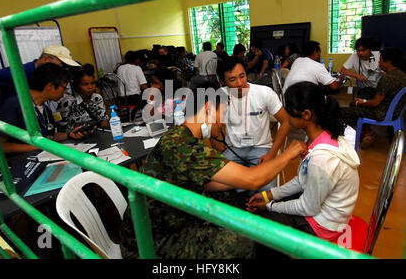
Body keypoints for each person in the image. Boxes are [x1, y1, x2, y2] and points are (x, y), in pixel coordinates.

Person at [119, 82, 307, 259]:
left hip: (170, 220)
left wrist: (237, 182)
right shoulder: (184, 146)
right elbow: (254, 180)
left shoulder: (178, 135)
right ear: (208, 108)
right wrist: (289, 152)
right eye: (223, 115)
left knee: (237, 198)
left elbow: (207, 184)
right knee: (251, 241)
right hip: (152, 243)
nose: (224, 123)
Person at [246, 81, 360, 258]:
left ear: (306, 114)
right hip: (323, 212)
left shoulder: (321, 158)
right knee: (270, 214)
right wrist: (271, 195)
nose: (285, 116)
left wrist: (270, 206)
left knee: (262, 231)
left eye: (289, 111)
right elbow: (302, 179)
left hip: (324, 226)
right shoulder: (321, 136)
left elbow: (308, 208)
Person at [216, 56, 291, 194]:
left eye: (242, 76)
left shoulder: (264, 93)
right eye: (232, 79)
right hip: (233, 149)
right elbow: (213, 126)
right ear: (222, 81)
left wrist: (272, 153)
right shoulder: (220, 95)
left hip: (261, 149)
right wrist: (215, 143)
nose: (239, 83)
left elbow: (286, 121)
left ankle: (241, 188)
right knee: (214, 185)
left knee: (266, 190)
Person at [0, 63, 86, 155]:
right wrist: (38, 147)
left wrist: (69, 134)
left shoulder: (45, 108)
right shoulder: (13, 105)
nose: (65, 92)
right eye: (64, 88)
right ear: (50, 86)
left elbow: (50, 136)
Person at [341, 47, 406, 149]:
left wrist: (361, 103)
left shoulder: (387, 78)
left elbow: (375, 103)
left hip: (381, 113)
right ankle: (366, 132)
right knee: (364, 95)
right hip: (396, 112)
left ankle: (365, 132)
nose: (379, 63)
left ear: (388, 62)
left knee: (344, 111)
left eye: (380, 60)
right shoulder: (402, 75)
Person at [0, 45, 81, 114]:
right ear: (45, 59)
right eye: (61, 65)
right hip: (13, 121)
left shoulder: (47, 76)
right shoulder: (19, 73)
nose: (62, 69)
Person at [57, 64, 109, 135]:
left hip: (96, 135)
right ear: (76, 87)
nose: (90, 87)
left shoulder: (97, 98)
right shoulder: (68, 102)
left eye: (92, 83)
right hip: (75, 140)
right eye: (85, 84)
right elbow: (62, 130)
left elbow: (103, 120)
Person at [116, 50, 148, 121]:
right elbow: (143, 86)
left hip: (122, 100)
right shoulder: (137, 68)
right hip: (134, 99)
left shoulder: (120, 68)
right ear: (136, 60)